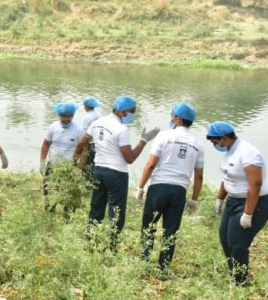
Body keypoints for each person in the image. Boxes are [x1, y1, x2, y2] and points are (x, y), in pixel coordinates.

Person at [73, 95, 160, 251]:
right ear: (122, 111)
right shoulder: (121, 129)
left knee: (96, 208)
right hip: (116, 173)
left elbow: (82, 142)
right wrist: (144, 140)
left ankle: (90, 243)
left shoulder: (97, 123)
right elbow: (130, 158)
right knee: (117, 211)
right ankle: (112, 248)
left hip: (98, 170)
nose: (131, 115)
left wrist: (74, 161)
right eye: (131, 112)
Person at [135, 103, 203, 273]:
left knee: (149, 226)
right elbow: (199, 175)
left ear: (178, 118)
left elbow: (151, 164)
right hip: (179, 191)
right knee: (171, 230)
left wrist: (140, 187)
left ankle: (144, 263)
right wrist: (194, 199)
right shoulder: (198, 144)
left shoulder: (164, 136)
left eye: (172, 114)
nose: (171, 117)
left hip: (159, 187)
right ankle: (163, 269)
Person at [207, 121, 268, 286]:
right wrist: (220, 199)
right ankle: (235, 276)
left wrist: (248, 214)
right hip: (233, 201)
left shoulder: (248, 153)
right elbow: (227, 176)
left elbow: (255, 185)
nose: (214, 145)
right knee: (225, 239)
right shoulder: (229, 151)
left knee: (237, 244)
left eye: (215, 142)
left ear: (223, 138)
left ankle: (242, 283)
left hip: (255, 202)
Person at [40, 102, 85, 211]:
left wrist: (79, 167)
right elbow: (46, 144)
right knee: (49, 189)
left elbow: (84, 149)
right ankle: (49, 211)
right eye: (63, 116)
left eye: (68, 116)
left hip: (69, 167)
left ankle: (67, 215)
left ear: (73, 116)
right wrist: (42, 162)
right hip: (53, 165)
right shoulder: (53, 127)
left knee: (68, 192)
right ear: (58, 115)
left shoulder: (78, 130)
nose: (65, 119)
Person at [81, 96, 100, 175]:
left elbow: (86, 134)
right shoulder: (98, 115)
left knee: (87, 164)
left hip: (90, 144)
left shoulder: (86, 117)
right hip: (98, 143)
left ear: (85, 106)